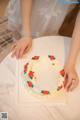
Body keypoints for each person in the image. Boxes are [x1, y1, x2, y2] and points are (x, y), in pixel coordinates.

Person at [7, 0, 80, 91]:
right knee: (20, 41)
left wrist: (70, 65)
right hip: (29, 8)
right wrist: (25, 34)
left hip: (56, 12)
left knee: (44, 36)